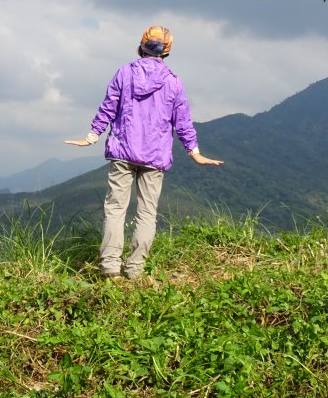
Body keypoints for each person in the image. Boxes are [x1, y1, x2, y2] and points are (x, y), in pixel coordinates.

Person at [65, 25, 223, 279]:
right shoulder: (173, 82)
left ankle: (109, 267)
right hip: (155, 155)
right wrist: (194, 152)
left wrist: (92, 136)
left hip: (122, 151)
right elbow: (182, 121)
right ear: (167, 52)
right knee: (147, 213)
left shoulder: (124, 73)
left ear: (141, 46)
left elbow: (108, 107)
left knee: (115, 209)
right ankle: (135, 270)